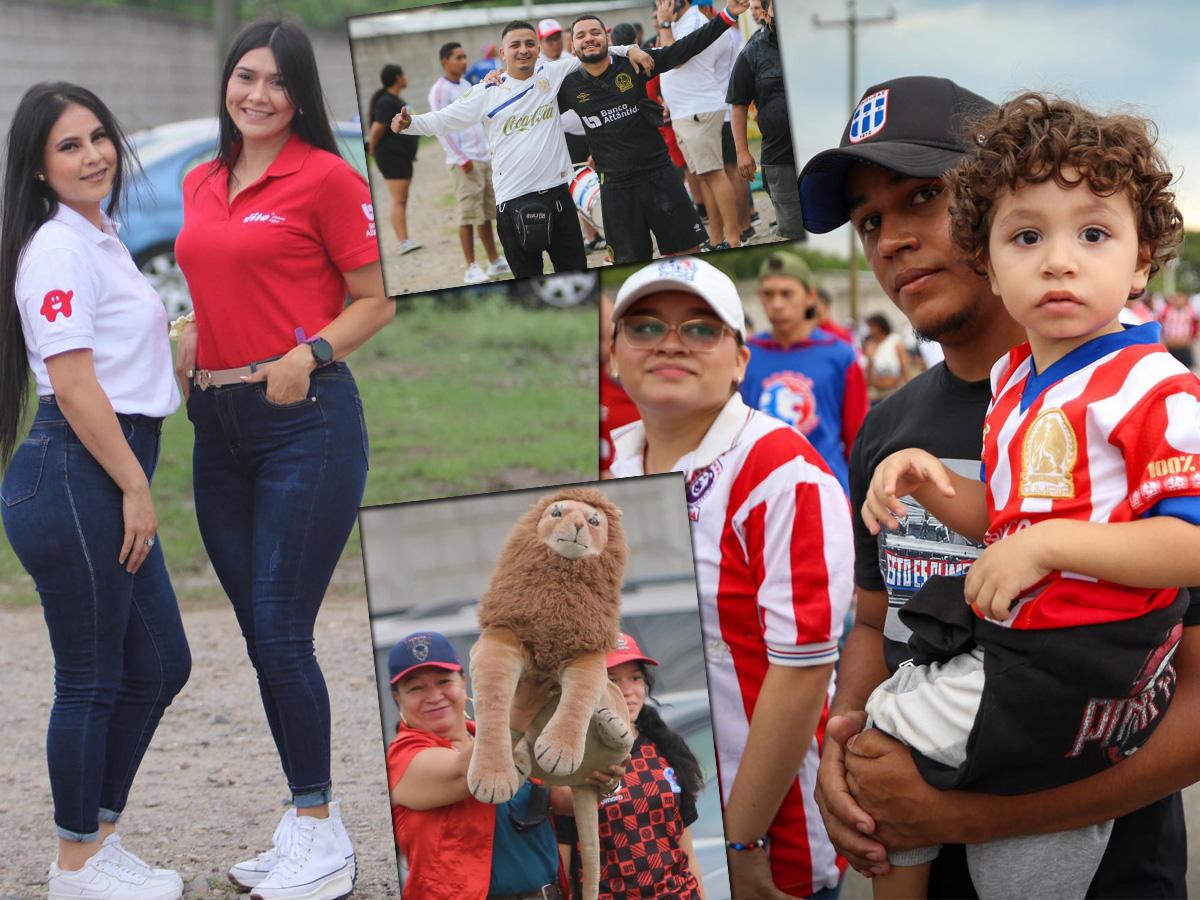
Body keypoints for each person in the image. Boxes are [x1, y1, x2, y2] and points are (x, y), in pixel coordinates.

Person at [798, 75, 1199, 897]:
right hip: (919, 822)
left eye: (923, 196)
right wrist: (844, 760)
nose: (893, 239)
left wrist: (964, 820)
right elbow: (875, 625)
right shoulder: (893, 427)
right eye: (871, 220)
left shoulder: (1144, 396)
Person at [172, 19, 394, 899]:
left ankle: (318, 832)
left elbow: (375, 302)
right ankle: (316, 822)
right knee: (265, 636)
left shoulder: (329, 178)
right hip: (215, 427)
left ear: (300, 95)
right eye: (243, 77)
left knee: (277, 625)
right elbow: (216, 283)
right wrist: (189, 338)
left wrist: (310, 356)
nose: (255, 95)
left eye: (275, 82)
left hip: (307, 422)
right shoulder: (200, 179)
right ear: (226, 82)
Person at [607, 255, 853, 898]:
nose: (670, 343)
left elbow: (801, 678)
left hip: (775, 848)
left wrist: (743, 843)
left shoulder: (780, 472)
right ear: (613, 356)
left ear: (740, 359)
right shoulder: (617, 467)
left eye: (700, 328)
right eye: (644, 327)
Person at [0, 82, 190, 900]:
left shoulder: (100, 236)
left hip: (99, 467)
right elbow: (74, 385)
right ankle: (74, 865)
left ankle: (98, 841)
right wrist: (135, 487)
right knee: (92, 676)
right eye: (68, 146)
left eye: (99, 137)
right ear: (40, 170)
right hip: (76, 474)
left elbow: (117, 369)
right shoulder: (57, 249)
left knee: (160, 663)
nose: (93, 155)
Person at [392, 22, 652, 277]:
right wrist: (410, 123)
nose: (523, 50)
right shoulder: (486, 91)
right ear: (502, 53)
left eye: (529, 44)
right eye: (514, 45)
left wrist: (631, 49)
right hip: (512, 203)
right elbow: (443, 119)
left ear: (538, 49)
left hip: (560, 197)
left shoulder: (552, 74)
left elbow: (595, 52)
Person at [388, 630, 595, 899]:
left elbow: (565, 800)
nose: (434, 695)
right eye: (416, 688)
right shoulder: (401, 758)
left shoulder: (507, 739)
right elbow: (466, 774)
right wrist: (520, 709)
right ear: (397, 698)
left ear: (463, 682)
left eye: (443, 681)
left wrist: (597, 777)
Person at [553, 0, 750, 263]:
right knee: (628, 262)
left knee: (687, 256)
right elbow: (529, 104)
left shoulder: (635, 64)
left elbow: (683, 48)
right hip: (615, 187)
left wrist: (727, 15)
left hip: (659, 174)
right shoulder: (567, 87)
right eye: (581, 35)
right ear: (572, 46)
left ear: (607, 38)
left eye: (595, 33)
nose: (589, 39)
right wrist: (497, 81)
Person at [555, 633, 706, 898]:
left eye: (635, 678)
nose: (627, 690)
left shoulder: (665, 748)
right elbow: (563, 871)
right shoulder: (574, 762)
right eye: (612, 680)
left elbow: (688, 856)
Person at [739, 250, 868, 495]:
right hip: (761, 491)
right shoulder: (745, 355)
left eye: (786, 293)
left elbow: (857, 436)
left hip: (828, 490)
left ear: (810, 297)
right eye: (768, 294)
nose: (776, 304)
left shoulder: (840, 354)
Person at [655, 0, 744, 249]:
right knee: (705, 177)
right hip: (686, 111)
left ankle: (734, 239)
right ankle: (716, 238)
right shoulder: (681, 22)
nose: (660, 4)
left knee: (715, 174)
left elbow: (676, 59)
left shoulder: (693, 20)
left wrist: (663, 24)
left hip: (698, 110)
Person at [428, 42, 509, 285]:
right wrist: (461, 158)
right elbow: (439, 126)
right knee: (467, 214)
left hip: (482, 157)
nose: (464, 61)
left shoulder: (466, 86)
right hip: (463, 162)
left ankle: (494, 261)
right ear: (445, 61)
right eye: (458, 57)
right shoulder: (439, 90)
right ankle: (471, 267)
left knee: (484, 214)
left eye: (465, 57)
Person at [727, 0, 804, 241]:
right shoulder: (752, 52)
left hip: (821, 147)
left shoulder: (813, 40)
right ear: (766, 11)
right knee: (794, 228)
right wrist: (742, 152)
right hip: (780, 157)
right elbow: (738, 105)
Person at [536, 17, 606, 255]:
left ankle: (606, 228)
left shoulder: (573, 60)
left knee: (602, 178)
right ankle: (590, 236)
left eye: (557, 37)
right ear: (540, 42)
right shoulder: (537, 70)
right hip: (565, 136)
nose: (554, 43)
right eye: (548, 39)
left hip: (591, 128)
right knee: (575, 183)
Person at [367, 63, 421, 256]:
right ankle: (403, 241)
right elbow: (377, 128)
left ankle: (405, 238)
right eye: (404, 74)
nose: (406, 77)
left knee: (402, 199)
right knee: (398, 199)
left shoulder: (394, 100)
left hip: (402, 156)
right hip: (391, 156)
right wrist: (373, 149)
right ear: (398, 77)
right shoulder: (386, 102)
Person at [861, 314, 910, 404]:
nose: (870, 330)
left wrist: (909, 386)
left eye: (872, 326)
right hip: (875, 393)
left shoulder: (895, 340)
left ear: (880, 326)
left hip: (894, 391)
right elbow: (868, 369)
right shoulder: (870, 344)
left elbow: (904, 365)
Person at [1158, 290, 1197, 369]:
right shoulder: (1166, 311)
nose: (1178, 300)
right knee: (1172, 367)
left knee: (1186, 368)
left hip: (1184, 345)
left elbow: (1195, 325)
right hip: (1171, 344)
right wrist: (1163, 340)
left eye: (1181, 298)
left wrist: (1191, 339)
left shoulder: (1190, 311)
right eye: (1177, 298)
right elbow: (1160, 324)